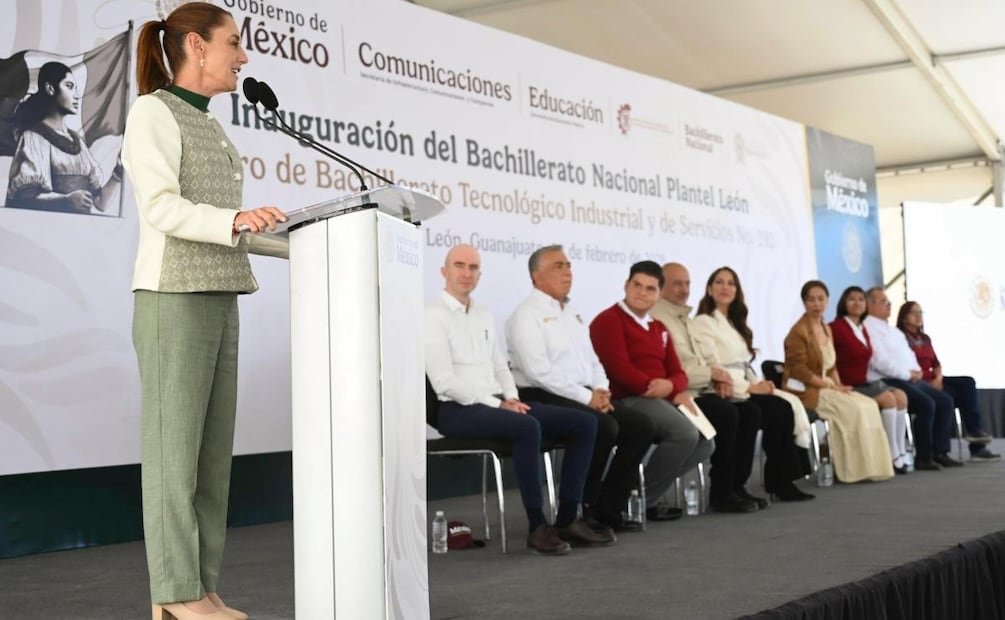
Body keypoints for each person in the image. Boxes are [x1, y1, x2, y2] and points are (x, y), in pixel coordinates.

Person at [123, 4, 289, 619]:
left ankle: (201, 587)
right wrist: (236, 219)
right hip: (173, 298)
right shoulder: (153, 112)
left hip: (219, 293)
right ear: (197, 44)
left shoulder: (214, 125)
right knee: (173, 456)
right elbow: (162, 208)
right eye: (234, 44)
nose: (242, 57)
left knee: (210, 458)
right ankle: (175, 591)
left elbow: (222, 222)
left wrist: (269, 227)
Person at [426, 244, 607, 555]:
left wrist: (510, 396)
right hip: (456, 409)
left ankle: (566, 519)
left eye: (473, 267)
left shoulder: (482, 313)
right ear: (444, 272)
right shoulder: (431, 316)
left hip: (497, 402)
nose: (466, 273)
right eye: (459, 265)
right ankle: (537, 526)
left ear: (480, 274)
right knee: (527, 426)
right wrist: (499, 404)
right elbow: (444, 383)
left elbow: (499, 365)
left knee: (585, 423)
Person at [507, 245, 666, 531]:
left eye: (568, 265)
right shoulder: (525, 315)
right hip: (543, 395)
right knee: (603, 426)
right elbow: (538, 372)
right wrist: (587, 397)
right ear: (536, 276)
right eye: (558, 266)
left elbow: (593, 360)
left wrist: (601, 390)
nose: (567, 271)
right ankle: (582, 509)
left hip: (585, 393)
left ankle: (608, 509)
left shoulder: (573, 312)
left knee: (642, 426)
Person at [589, 261, 717, 513]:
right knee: (685, 434)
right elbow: (619, 370)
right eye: (637, 285)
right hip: (629, 398)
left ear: (658, 294)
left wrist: (671, 386)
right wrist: (660, 389)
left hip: (662, 397)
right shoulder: (608, 320)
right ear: (626, 285)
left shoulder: (659, 327)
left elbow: (679, 373)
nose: (642, 293)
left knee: (706, 442)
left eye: (650, 289)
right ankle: (635, 501)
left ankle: (634, 494)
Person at [689, 266, 815, 502]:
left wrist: (760, 384)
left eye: (731, 283)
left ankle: (782, 481)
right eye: (719, 282)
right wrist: (749, 388)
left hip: (743, 384)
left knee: (783, 407)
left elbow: (743, 364)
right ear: (709, 289)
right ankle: (738, 486)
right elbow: (714, 364)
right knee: (766, 411)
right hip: (723, 387)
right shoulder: (704, 322)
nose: (726, 287)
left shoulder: (735, 323)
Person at [649, 263, 764, 512]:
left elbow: (702, 360)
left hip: (699, 389)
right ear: (661, 285)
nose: (684, 289)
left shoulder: (685, 319)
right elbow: (675, 370)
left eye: (687, 283)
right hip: (678, 395)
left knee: (749, 411)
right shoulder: (659, 319)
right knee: (727, 414)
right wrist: (713, 375)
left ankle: (737, 486)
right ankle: (722, 493)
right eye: (677, 283)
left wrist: (718, 379)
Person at [782, 281, 894, 483]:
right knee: (854, 409)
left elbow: (832, 366)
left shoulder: (826, 328)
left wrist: (839, 385)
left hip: (828, 384)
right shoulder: (797, 332)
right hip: (809, 390)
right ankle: (852, 470)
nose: (817, 304)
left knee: (867, 404)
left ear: (827, 301)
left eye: (821, 299)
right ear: (804, 303)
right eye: (811, 299)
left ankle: (871, 466)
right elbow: (799, 370)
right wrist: (828, 385)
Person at [863, 288, 962, 470]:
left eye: (888, 301)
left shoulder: (894, 332)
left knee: (945, 401)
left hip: (910, 378)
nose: (889, 304)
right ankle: (923, 457)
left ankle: (940, 452)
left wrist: (917, 372)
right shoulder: (867, 329)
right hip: (889, 380)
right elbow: (879, 361)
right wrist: (908, 374)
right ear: (869, 305)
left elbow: (909, 355)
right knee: (926, 404)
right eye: (883, 301)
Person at [6, 61, 122, 213]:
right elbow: (24, 199)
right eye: (69, 86)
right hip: (46, 230)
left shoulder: (77, 141)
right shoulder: (34, 138)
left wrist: (119, 172)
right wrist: (65, 201)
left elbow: (100, 203)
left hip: (78, 231)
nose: (76, 95)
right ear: (50, 89)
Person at [896, 301, 1000, 462]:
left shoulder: (925, 338)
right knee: (948, 399)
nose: (918, 316)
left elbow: (936, 363)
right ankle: (940, 451)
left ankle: (975, 437)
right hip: (917, 383)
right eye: (914, 313)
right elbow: (904, 366)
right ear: (904, 317)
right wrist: (926, 383)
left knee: (967, 383)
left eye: (920, 312)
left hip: (934, 380)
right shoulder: (899, 337)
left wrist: (937, 378)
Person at [830, 286, 912, 473]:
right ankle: (890, 452)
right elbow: (829, 360)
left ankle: (899, 448)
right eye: (852, 299)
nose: (857, 303)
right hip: (848, 385)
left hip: (864, 382)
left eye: (861, 299)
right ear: (844, 302)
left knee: (901, 396)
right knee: (889, 399)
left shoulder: (861, 328)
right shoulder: (836, 327)